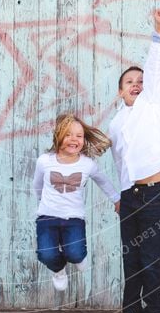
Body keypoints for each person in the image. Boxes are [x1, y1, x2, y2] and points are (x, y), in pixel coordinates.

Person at [109, 8, 160, 313]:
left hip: (154, 194)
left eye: (140, 80)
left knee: (149, 259)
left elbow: (156, 64)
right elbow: (120, 164)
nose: (137, 84)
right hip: (130, 198)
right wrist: (119, 196)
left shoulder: (151, 103)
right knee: (130, 259)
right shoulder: (116, 124)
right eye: (129, 82)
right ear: (120, 91)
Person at [33, 113, 120, 292]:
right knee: (46, 255)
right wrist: (44, 202)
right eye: (68, 135)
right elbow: (37, 185)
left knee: (75, 253)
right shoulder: (44, 161)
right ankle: (58, 270)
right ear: (58, 136)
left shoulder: (87, 164)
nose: (74, 140)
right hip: (47, 218)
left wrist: (116, 199)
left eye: (79, 136)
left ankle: (79, 257)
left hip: (74, 219)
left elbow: (103, 181)